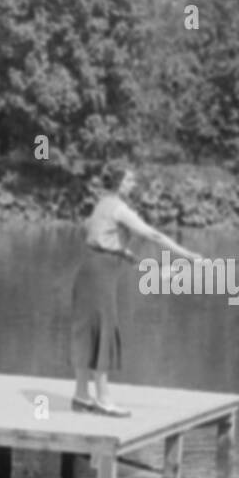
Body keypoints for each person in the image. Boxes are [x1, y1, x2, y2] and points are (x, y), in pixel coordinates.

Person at [70, 165, 200, 417]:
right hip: (99, 276)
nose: (134, 183)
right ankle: (104, 400)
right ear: (119, 182)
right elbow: (154, 236)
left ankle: (82, 396)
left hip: (91, 271)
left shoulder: (103, 203)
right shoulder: (119, 209)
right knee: (103, 329)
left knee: (89, 331)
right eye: (130, 179)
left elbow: (111, 247)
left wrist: (147, 266)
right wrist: (188, 256)